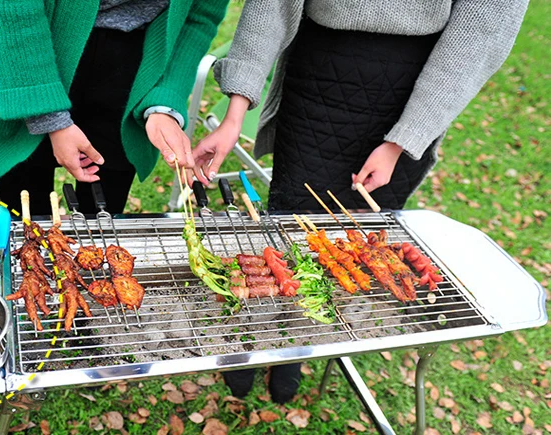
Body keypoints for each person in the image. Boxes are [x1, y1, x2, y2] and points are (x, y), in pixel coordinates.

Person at [194, 0, 528, 403]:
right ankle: (254, 334)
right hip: (318, 74)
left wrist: (401, 141)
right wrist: (235, 113)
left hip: (414, 86)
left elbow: (482, 30)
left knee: (360, 240)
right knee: (287, 224)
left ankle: (295, 346)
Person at [0, 0, 229, 215]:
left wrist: (164, 101)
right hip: (20, 53)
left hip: (134, 64)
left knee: (103, 212)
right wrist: (50, 118)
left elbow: (200, 15)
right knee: (28, 209)